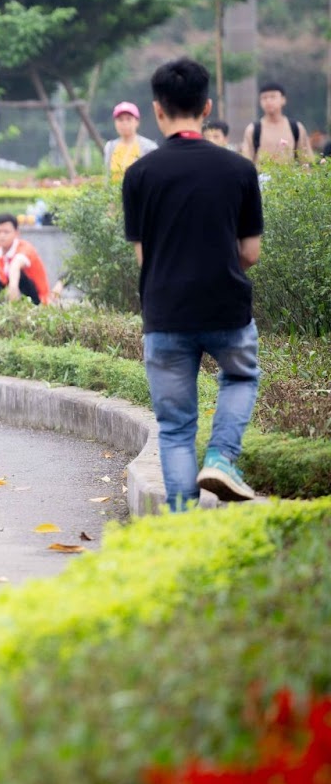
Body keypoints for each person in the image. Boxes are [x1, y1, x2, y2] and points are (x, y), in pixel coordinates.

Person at [122, 57, 263, 509]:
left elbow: (144, 256)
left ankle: (182, 523)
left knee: (176, 426)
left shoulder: (139, 175)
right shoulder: (239, 170)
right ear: (207, 107)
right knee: (240, 376)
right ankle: (221, 456)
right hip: (226, 307)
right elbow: (250, 253)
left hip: (165, 313)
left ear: (157, 111)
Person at [241, 81, 313, 165]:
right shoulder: (253, 129)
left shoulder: (296, 127)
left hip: (289, 177)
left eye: (273, 97)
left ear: (283, 100)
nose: (268, 101)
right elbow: (246, 162)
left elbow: (306, 161)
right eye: (264, 98)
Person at [105, 100, 158, 181]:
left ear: (137, 122)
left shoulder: (149, 147)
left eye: (128, 119)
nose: (124, 123)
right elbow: (107, 176)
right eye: (120, 120)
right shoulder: (110, 146)